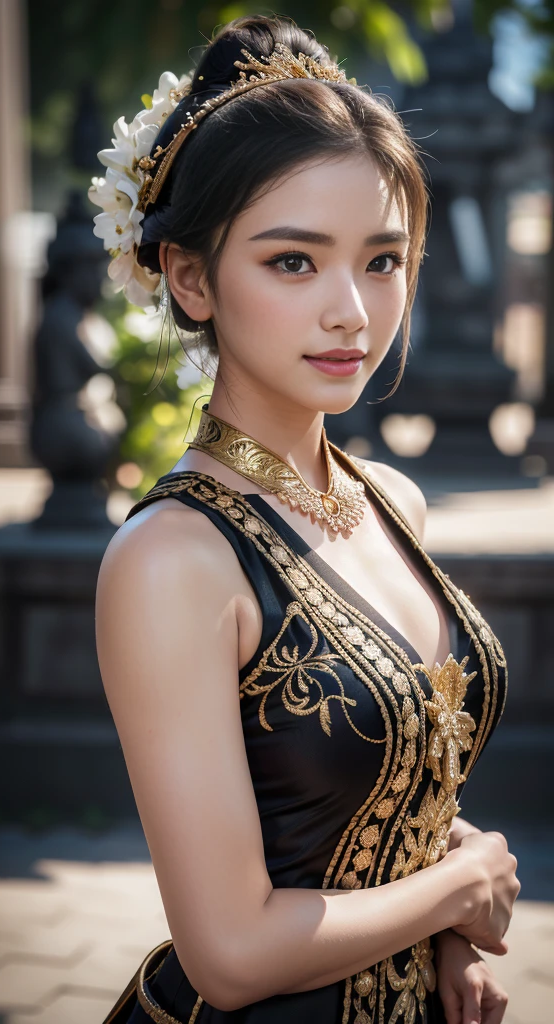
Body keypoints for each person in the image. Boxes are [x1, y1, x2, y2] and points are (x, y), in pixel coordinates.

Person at [93, 15, 519, 1024]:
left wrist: (449, 941)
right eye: (294, 262)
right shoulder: (174, 558)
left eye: (382, 259)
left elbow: (399, 777)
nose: (354, 313)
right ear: (192, 279)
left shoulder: (393, 500)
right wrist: (460, 889)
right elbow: (231, 951)